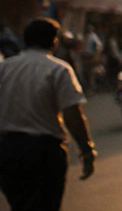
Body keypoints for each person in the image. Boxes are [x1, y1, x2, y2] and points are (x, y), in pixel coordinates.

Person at [0, 18, 96, 210]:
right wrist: (86, 149)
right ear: (54, 41)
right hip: (45, 152)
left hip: (7, 150)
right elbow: (72, 114)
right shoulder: (58, 69)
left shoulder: (4, 68)